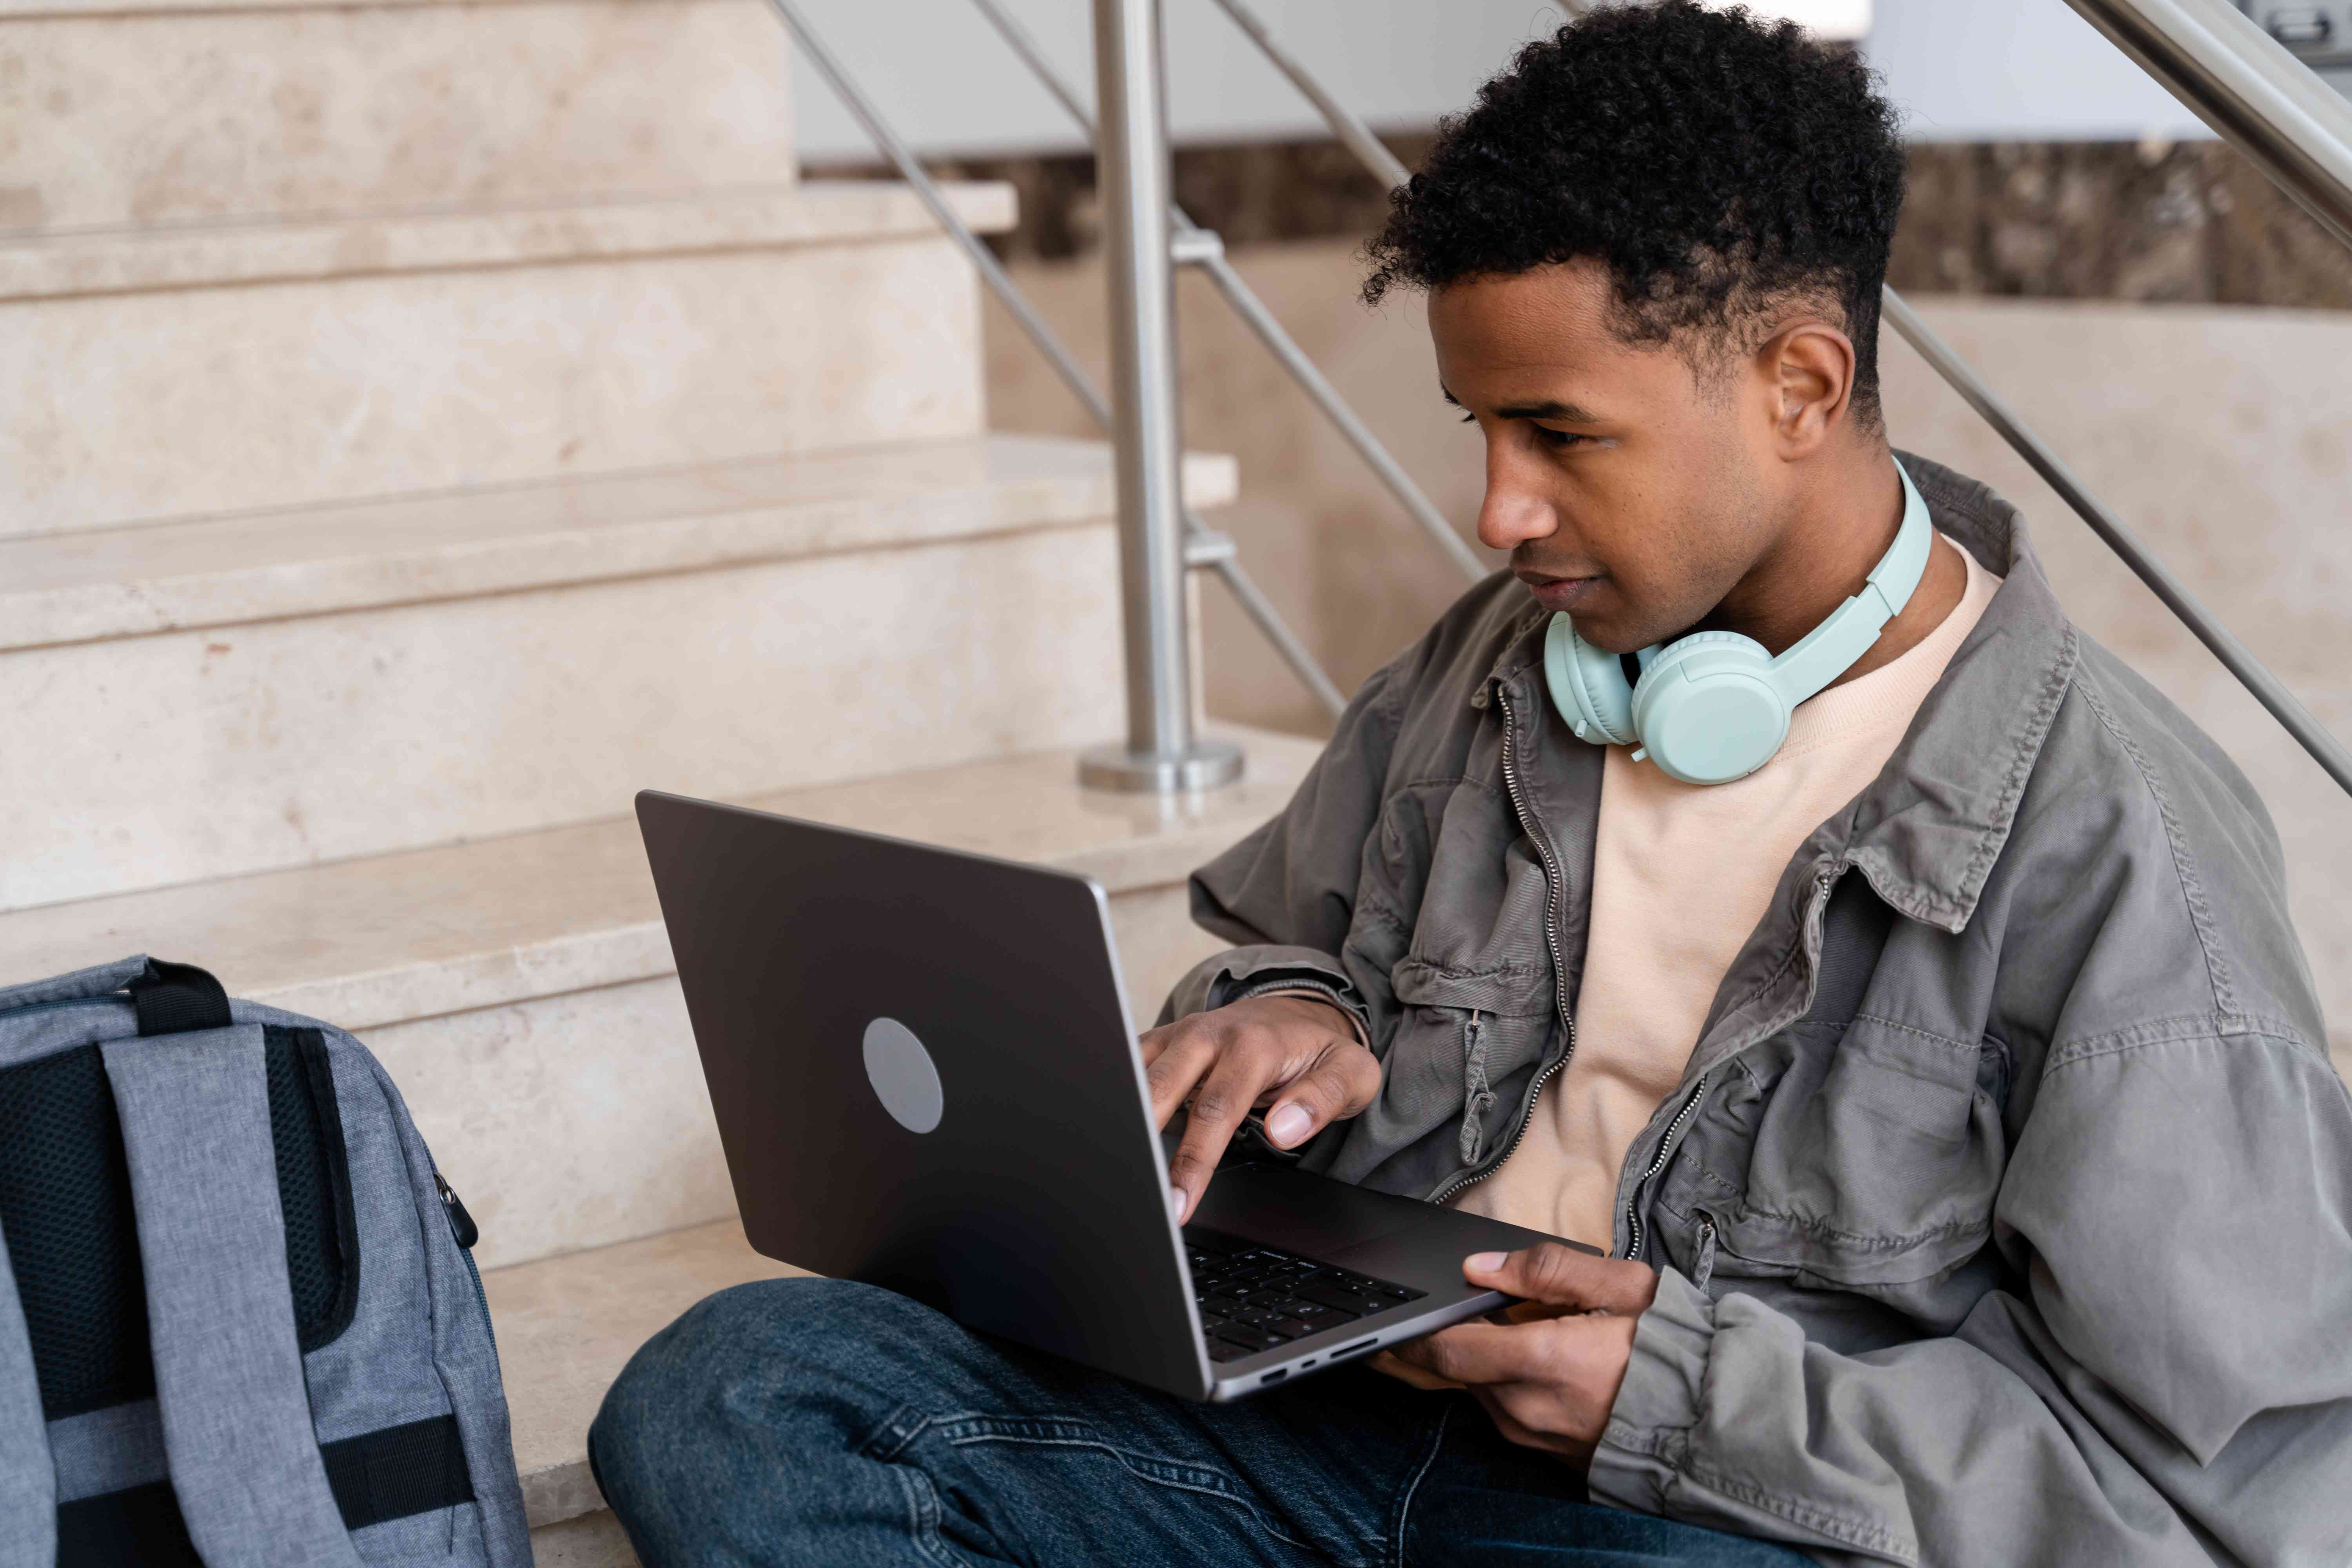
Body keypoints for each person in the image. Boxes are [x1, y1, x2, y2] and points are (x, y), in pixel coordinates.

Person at [589, 5, 2352, 1562]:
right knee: (738, 1395)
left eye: (1563, 437)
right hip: (1333, 1425)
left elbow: (2211, 1500)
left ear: (1803, 384)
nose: (1497, 513)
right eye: (1478, 431)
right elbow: (1302, 945)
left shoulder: (2128, 858)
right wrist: (1284, 1015)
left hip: (1693, 1511)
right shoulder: (1497, 659)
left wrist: (1674, 1399)